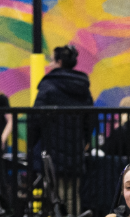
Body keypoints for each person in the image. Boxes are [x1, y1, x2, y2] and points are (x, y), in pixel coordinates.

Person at [32, 45, 96, 204]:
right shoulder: (82, 86)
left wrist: (32, 144)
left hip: (52, 146)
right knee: (73, 193)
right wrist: (85, 139)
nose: (50, 64)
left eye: (52, 60)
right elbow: (90, 117)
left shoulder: (48, 85)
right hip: (75, 146)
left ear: (59, 62)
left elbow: (36, 117)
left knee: (55, 193)